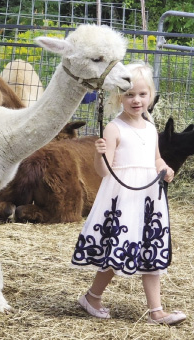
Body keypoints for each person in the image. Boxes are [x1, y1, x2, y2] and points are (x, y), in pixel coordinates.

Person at [71, 61, 186, 325]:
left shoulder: (149, 126)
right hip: (124, 200)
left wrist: (165, 169)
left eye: (142, 94)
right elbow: (103, 171)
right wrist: (99, 154)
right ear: (118, 97)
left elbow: (155, 159)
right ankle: (92, 297)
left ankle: (156, 311)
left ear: (151, 96)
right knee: (117, 254)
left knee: (150, 253)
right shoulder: (114, 128)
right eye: (129, 94)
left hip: (149, 200)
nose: (136, 100)